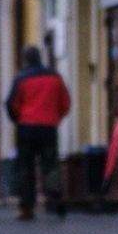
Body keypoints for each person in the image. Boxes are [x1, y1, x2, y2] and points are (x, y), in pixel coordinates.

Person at [5, 45, 73, 219]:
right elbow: (65, 103)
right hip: (48, 127)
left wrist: (18, 120)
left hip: (26, 128)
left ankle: (27, 208)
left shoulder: (21, 79)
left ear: (25, 60)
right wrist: (55, 118)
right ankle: (56, 195)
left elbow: (12, 105)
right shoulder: (55, 77)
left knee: (25, 167)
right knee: (50, 164)